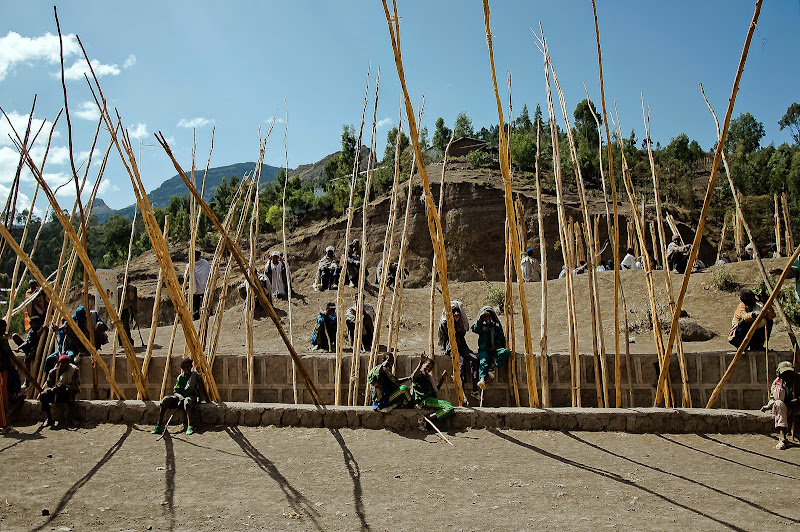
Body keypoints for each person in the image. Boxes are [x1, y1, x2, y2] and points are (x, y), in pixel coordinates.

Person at [438, 301, 479, 398]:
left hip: (462, 347)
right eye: (454, 312)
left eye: (458, 312)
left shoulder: (461, 324)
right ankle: (462, 392)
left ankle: (475, 389)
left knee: (475, 359)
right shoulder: (445, 324)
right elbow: (447, 336)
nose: (456, 314)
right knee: (460, 365)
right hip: (452, 348)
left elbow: (462, 334)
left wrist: (457, 323)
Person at [152, 358, 202, 436]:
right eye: (184, 367)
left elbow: (195, 390)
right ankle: (159, 425)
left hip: (191, 398)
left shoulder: (194, 376)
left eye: (188, 367)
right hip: (180, 399)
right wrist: (180, 397)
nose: (186, 369)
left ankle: (190, 426)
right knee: (165, 400)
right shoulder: (180, 377)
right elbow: (175, 391)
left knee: (187, 401)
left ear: (191, 367)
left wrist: (186, 398)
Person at [471, 306, 511, 390]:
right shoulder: (481, 326)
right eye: (485, 317)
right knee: (483, 360)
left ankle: (492, 366)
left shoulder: (496, 326)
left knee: (505, 353)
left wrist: (496, 346)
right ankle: (482, 379)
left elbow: (501, 339)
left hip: (495, 349)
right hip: (484, 349)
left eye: (489, 316)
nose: (487, 318)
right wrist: (480, 319)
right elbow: (474, 329)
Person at [761, 361, 799, 450]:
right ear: (779, 374)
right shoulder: (777, 383)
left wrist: (798, 400)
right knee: (778, 404)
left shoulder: (798, 379)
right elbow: (775, 398)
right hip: (786, 408)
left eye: (790, 373)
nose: (788, 376)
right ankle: (782, 438)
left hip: (798, 405)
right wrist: (768, 406)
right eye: (785, 374)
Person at [40, 354, 81, 429]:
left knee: (69, 393)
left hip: (66, 393)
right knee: (43, 395)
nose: (62, 365)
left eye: (64, 363)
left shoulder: (73, 371)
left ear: (68, 364)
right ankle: (49, 419)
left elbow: (75, 387)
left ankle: (71, 418)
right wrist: (53, 389)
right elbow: (48, 385)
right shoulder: (53, 372)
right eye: (61, 363)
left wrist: (64, 386)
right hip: (55, 393)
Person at [409, 354, 454, 422]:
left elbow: (435, 390)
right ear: (423, 365)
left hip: (430, 400)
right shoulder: (419, 375)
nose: (428, 369)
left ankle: (428, 420)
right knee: (449, 408)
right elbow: (413, 377)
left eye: (430, 368)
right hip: (425, 401)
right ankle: (427, 420)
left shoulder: (428, 377)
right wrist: (420, 362)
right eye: (427, 366)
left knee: (448, 405)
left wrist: (442, 379)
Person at [12, 314, 44, 380]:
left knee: (27, 359)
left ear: (37, 323)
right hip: (30, 347)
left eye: (32, 324)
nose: (31, 325)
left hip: (37, 350)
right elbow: (27, 342)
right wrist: (19, 348)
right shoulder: (31, 331)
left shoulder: (42, 330)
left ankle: (28, 379)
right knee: (15, 336)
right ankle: (27, 353)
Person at [184, 250, 211, 320]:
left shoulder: (205, 263)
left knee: (205, 303)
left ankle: (206, 315)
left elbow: (209, 274)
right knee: (196, 304)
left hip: (203, 287)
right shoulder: (190, 265)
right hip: (198, 288)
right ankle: (196, 316)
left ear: (199, 256)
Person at [0, 319, 15, 431]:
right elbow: (9, 353)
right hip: (1, 371)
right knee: (2, 398)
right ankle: (5, 424)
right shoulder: (1, 340)